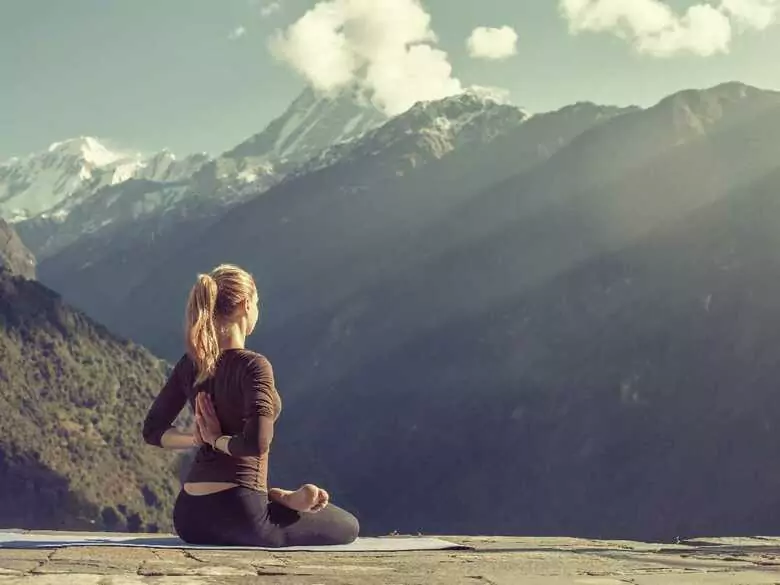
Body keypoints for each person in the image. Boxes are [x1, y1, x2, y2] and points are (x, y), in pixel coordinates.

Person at [142, 264, 359, 547]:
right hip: (241, 512)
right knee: (347, 526)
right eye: (257, 303)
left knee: (276, 509)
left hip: (189, 516)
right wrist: (215, 440)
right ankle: (281, 499)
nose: (257, 309)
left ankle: (279, 497)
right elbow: (256, 443)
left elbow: (152, 430)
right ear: (245, 305)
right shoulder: (253, 366)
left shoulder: (190, 364)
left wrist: (195, 439)